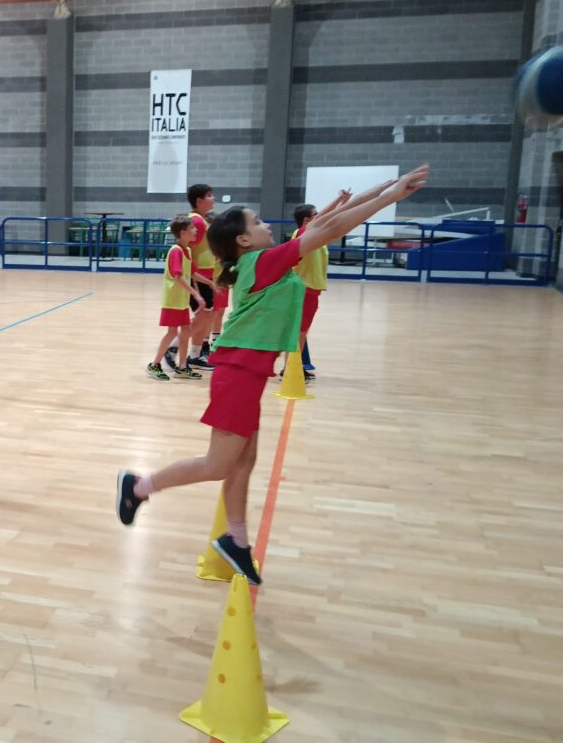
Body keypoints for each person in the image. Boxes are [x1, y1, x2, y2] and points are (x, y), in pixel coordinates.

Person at [114, 166, 429, 586]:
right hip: (238, 373)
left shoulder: (262, 260)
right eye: (258, 222)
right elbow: (331, 227)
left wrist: (384, 189)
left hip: (249, 373)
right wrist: (391, 196)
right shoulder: (262, 262)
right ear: (243, 240)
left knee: (244, 461)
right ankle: (138, 486)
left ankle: (235, 539)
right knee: (218, 464)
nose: (266, 225)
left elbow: (329, 219)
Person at [284, 193, 350, 380]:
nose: (320, 216)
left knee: (302, 331)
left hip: (311, 290)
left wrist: (342, 204)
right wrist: (338, 201)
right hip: (303, 289)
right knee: (299, 332)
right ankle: (289, 370)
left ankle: (294, 366)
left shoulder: (315, 238)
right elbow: (325, 218)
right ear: (307, 220)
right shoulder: (302, 234)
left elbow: (331, 221)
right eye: (316, 214)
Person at [147, 216, 211, 381]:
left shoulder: (187, 250)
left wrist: (211, 283)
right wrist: (196, 294)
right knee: (172, 333)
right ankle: (154, 364)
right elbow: (178, 277)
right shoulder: (176, 251)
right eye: (192, 228)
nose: (195, 231)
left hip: (181, 300)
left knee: (186, 331)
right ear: (183, 233)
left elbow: (193, 273)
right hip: (173, 300)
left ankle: (182, 367)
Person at [166, 184, 220, 371]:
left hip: (206, 274)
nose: (213, 198)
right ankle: (173, 346)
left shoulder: (201, 220)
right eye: (210, 195)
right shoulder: (196, 221)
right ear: (199, 200)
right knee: (203, 315)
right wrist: (192, 275)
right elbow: (187, 247)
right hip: (199, 275)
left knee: (206, 316)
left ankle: (195, 355)